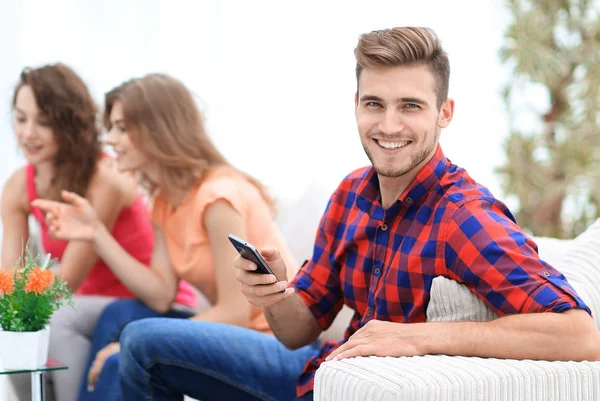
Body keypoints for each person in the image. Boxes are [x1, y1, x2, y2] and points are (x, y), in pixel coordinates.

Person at [115, 26, 600, 401]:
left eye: (410, 106)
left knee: (137, 337)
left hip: (349, 383)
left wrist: (419, 339)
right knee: (140, 339)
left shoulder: (465, 216)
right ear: (356, 106)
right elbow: (295, 331)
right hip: (316, 372)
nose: (389, 125)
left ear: (444, 113)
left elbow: (579, 333)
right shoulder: (351, 193)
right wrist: (274, 293)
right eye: (375, 104)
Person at [32, 73, 299, 401]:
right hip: (233, 333)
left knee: (130, 340)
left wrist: (138, 340)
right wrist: (97, 234)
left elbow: (235, 312)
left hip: (273, 342)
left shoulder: (217, 197)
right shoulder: (163, 202)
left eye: (122, 128)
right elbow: (159, 294)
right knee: (119, 315)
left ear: (158, 129)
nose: (111, 140)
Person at [0, 63, 197, 401]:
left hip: (145, 302)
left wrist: (18, 304)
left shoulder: (105, 178)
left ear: (72, 125)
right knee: (13, 324)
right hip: (88, 306)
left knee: (54, 317)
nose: (28, 133)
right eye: (20, 119)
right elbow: (11, 280)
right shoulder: (19, 185)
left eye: (44, 122)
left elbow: (66, 283)